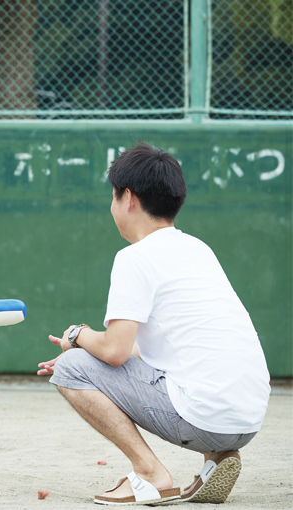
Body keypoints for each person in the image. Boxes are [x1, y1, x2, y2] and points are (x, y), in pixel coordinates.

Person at [37, 143, 270, 505]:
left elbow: (114, 351)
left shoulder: (135, 258)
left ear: (128, 198)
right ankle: (218, 458)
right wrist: (90, 360)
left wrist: (77, 336)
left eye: (112, 197)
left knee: (69, 368)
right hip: (249, 418)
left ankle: (150, 474)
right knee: (85, 363)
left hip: (206, 419)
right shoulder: (197, 248)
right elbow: (148, 347)